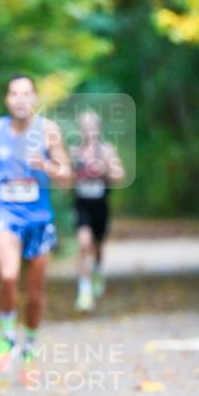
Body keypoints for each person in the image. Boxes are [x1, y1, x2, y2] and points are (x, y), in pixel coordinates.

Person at [0, 74, 71, 383]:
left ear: (35, 99)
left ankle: (30, 349)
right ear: (7, 100)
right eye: (15, 94)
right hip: (4, 213)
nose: (21, 99)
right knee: (9, 274)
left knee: (36, 291)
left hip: (39, 219)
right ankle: (7, 338)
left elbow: (66, 176)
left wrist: (48, 167)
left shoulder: (49, 132)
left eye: (27, 94)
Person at [72, 109, 125, 311]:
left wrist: (106, 169)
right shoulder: (75, 151)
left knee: (98, 246)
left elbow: (120, 175)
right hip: (81, 204)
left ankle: (97, 271)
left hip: (100, 204)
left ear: (98, 128)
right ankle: (84, 292)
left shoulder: (107, 150)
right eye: (85, 127)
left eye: (92, 126)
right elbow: (65, 178)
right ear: (81, 129)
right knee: (85, 244)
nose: (89, 130)